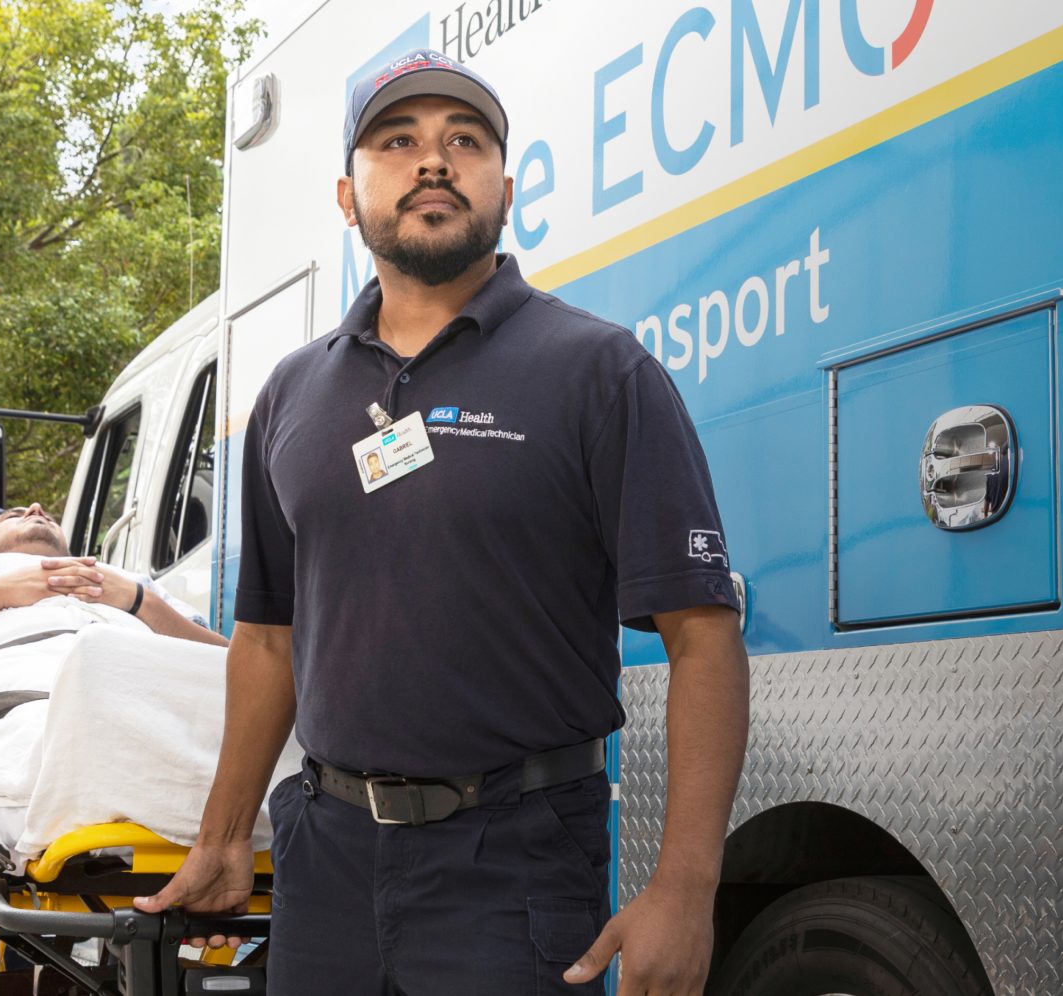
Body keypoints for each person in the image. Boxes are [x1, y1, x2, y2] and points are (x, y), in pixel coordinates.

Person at [135, 49, 749, 995]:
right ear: (350, 195)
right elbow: (264, 641)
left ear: (505, 188)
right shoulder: (292, 395)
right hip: (325, 860)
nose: (433, 161)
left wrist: (685, 887)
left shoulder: (601, 371)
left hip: (515, 863)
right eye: (399, 141)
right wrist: (223, 837)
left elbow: (703, 638)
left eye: (463, 141)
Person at [0, 504, 234, 856]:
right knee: (95, 659)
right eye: (12, 515)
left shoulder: (134, 582)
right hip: (31, 710)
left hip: (145, 692)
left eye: (46, 514)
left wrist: (138, 601)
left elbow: (228, 666)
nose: (35, 508)